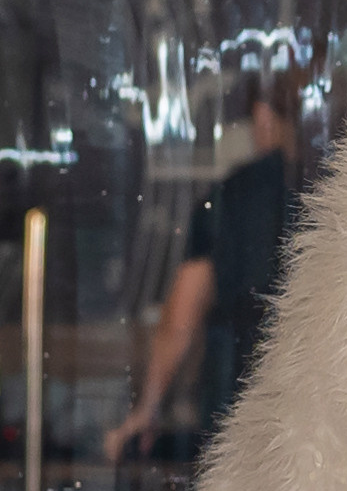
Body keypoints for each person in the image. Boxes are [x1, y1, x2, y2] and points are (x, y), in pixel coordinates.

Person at [105, 71, 300, 463]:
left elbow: (182, 316)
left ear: (263, 116)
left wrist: (147, 410)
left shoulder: (232, 197)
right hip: (313, 406)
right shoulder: (334, 195)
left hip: (238, 399)